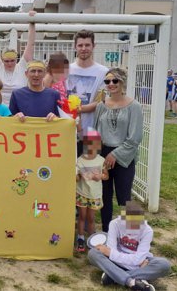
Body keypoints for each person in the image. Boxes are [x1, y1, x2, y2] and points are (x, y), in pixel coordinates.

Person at [94, 68, 143, 233]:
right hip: (103, 154)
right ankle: (107, 232)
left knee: (125, 196)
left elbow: (135, 137)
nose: (111, 84)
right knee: (105, 196)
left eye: (115, 81)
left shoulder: (133, 106)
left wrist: (115, 154)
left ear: (122, 82)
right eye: (107, 81)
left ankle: (133, 234)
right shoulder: (102, 105)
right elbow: (95, 131)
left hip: (125, 155)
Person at [88, 201, 171, 291]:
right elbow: (111, 254)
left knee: (164, 265)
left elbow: (114, 254)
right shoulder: (114, 224)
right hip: (126, 263)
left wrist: (111, 254)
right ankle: (132, 282)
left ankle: (113, 276)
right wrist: (139, 266)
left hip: (131, 260)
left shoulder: (147, 231)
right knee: (93, 253)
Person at [67, 30, 108, 155]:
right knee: (67, 172)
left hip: (92, 132)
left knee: (90, 172)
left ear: (93, 46)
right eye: (80, 45)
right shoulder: (66, 69)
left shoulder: (103, 72)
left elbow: (100, 102)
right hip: (66, 130)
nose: (83, 48)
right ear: (75, 47)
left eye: (87, 45)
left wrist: (78, 109)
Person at [0, 10, 36, 106]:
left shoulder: (22, 66)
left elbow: (30, 44)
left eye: (12, 61)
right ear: (2, 60)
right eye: (6, 61)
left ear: (16, 59)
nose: (9, 63)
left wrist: (32, 22)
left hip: (19, 109)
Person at [75, 129, 108, 253]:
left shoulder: (101, 160)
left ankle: (92, 240)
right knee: (82, 216)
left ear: (99, 145)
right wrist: (77, 175)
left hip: (95, 194)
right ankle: (80, 238)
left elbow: (106, 176)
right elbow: (77, 178)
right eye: (88, 144)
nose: (91, 147)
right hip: (82, 193)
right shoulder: (79, 160)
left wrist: (100, 176)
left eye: (94, 144)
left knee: (91, 218)